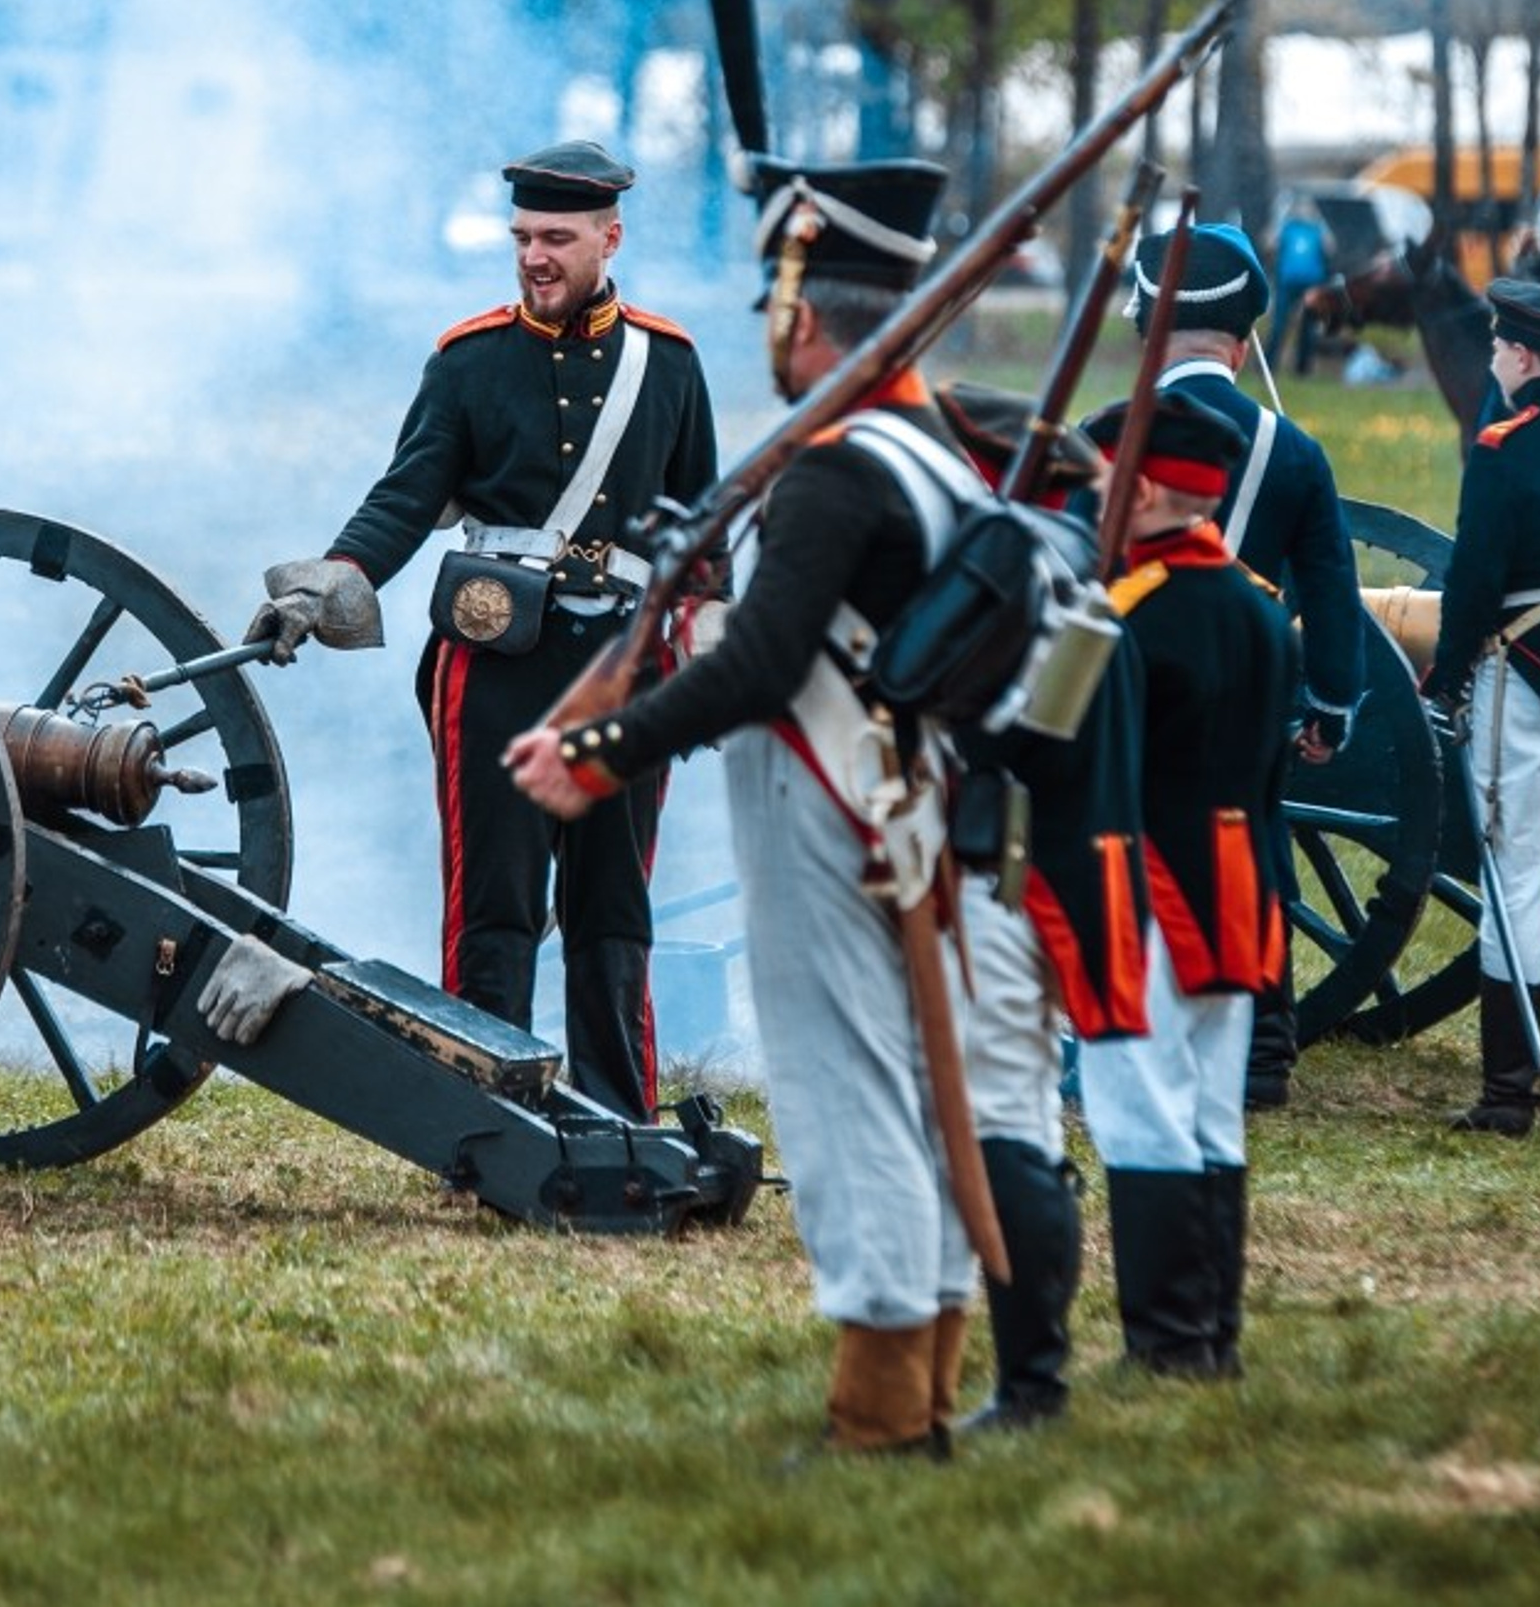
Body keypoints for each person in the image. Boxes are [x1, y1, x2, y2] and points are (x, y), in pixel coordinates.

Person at [507, 154, 983, 1459]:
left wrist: (597, 750)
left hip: (834, 818)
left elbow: (763, 667)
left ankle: (881, 1417)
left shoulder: (838, 469)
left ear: (803, 311)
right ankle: (923, 1382)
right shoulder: (925, 442)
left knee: (841, 1106)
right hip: (903, 812)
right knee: (901, 1095)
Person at [240, 142, 717, 1125]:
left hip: (626, 662)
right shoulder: (470, 359)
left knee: (611, 905)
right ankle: (482, 1121)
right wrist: (332, 579)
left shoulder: (667, 363)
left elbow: (701, 532)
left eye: (556, 238)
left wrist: (713, 657)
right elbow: (405, 495)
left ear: (608, 238)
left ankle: (621, 1119)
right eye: (524, 238)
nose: (535, 257)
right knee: (493, 903)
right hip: (494, 661)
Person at [931, 382, 1150, 1431]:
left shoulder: (1047, 601)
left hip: (1017, 884)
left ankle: (1032, 1383)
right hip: (1052, 879)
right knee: (1006, 1118)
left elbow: (1008, 748)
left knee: (1008, 1123)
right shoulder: (1081, 586)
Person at [1073, 390, 1297, 1378]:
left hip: (1146, 886)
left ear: (1151, 487)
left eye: (1110, 476)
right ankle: (1216, 1336)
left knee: (1139, 1110)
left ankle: (1165, 1344)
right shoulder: (1259, 608)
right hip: (1238, 884)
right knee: (1210, 1111)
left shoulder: (1126, 615)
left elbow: (1074, 753)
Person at [1124, 218, 1367, 1108]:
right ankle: (1261, 1052)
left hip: (1130, 682)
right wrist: (1332, 704)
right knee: (1255, 849)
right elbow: (1333, 594)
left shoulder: (1106, 434)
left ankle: (1126, 1025)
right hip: (1248, 689)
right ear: (1245, 335)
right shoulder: (1293, 451)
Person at [1422, 275, 1540, 1138]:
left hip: (1521, 672)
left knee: (1517, 877)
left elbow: (1471, 583)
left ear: (1524, 354)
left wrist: (1445, 677)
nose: (1492, 357)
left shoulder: (1505, 447)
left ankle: (1507, 1090)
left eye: (1499, 345)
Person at [1267, 203, 1330, 375]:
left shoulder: (1318, 229)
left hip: (1311, 285)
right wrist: (1278, 220)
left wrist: (1322, 224)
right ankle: (1268, 366)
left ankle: (1302, 369)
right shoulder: (1287, 227)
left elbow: (1330, 248)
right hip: (1286, 283)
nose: (1304, 211)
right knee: (1279, 325)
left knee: (1308, 328)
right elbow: (1270, 246)